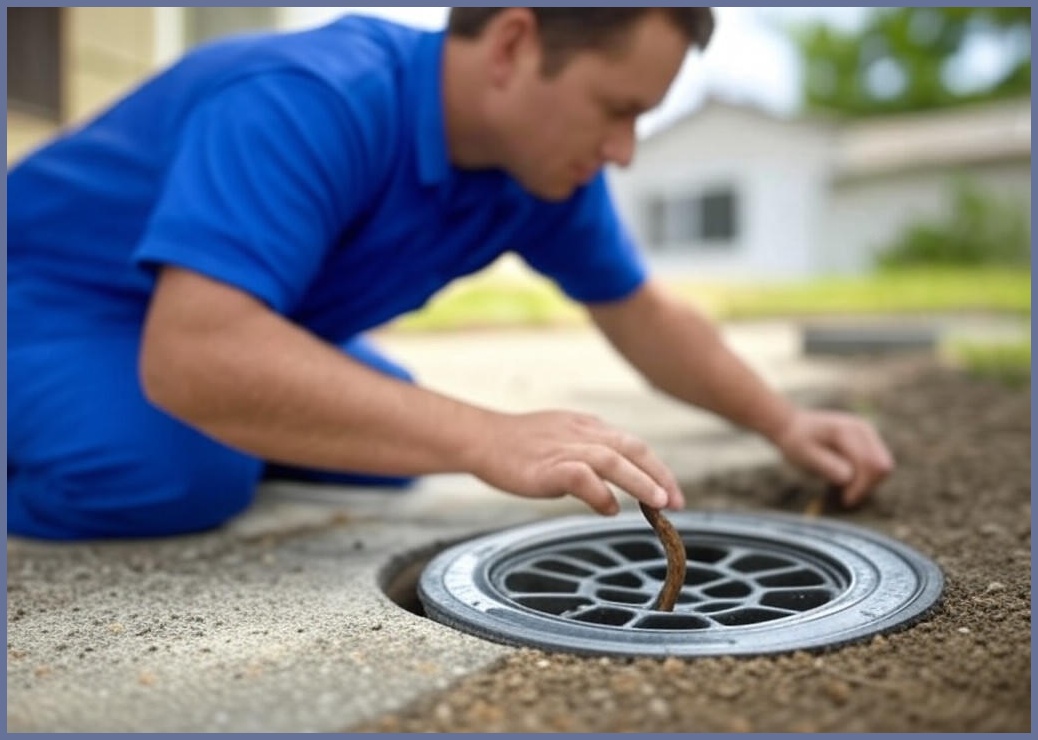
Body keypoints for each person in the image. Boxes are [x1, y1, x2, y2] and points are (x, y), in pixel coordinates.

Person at [7, 7, 893, 540]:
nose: (623, 152)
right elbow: (196, 354)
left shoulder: (540, 167)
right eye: (618, 111)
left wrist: (783, 420)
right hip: (49, 296)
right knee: (180, 477)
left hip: (204, 318)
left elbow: (644, 312)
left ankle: (212, 427)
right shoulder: (313, 99)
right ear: (513, 45)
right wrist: (487, 435)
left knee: (385, 451)